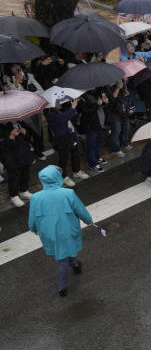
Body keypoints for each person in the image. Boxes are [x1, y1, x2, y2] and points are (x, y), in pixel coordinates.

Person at [28, 165, 94, 297]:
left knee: (62, 254)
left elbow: (33, 217)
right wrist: (88, 220)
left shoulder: (36, 197)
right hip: (67, 229)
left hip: (49, 232)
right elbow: (79, 209)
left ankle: (71, 271)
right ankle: (67, 278)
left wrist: (34, 228)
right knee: (66, 253)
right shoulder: (67, 193)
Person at [0, 123, 35, 207]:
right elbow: (4, 147)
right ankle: (14, 195)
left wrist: (24, 132)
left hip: (23, 154)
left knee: (25, 172)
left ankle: (24, 190)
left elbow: (27, 139)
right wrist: (12, 136)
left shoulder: (15, 124)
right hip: (10, 158)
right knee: (14, 176)